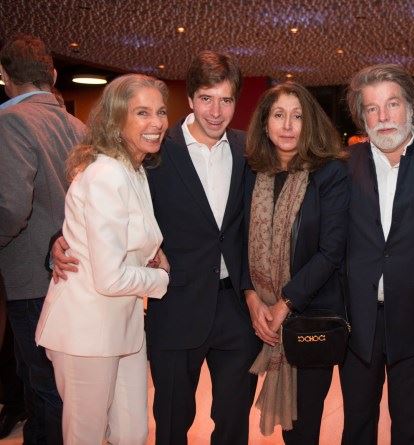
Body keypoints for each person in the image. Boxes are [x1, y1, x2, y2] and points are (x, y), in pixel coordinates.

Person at [52, 51, 261, 444]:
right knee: (171, 422)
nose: (216, 112)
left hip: (234, 308)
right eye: (206, 98)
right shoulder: (154, 151)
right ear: (191, 98)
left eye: (227, 100)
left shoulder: (248, 149)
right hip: (175, 306)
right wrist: (59, 240)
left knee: (234, 422)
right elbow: (93, 203)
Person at [35, 73, 171, 444]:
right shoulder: (107, 174)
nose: (156, 122)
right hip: (86, 330)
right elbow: (109, 278)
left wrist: (153, 252)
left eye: (161, 112)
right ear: (116, 119)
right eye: (142, 112)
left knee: (132, 433)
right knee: (86, 436)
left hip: (122, 324)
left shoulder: (134, 168)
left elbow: (132, 236)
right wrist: (161, 277)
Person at [341, 64, 414, 445]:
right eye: (372, 108)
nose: (383, 117)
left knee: (412, 428)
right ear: (362, 116)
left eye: (392, 104)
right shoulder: (342, 166)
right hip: (358, 324)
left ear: (411, 107)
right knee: (357, 426)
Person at [243, 81, 349, 444]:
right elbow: (236, 240)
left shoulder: (330, 174)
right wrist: (251, 297)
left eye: (297, 116)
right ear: (265, 122)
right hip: (259, 315)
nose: (287, 126)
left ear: (310, 123)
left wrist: (285, 304)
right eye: (278, 115)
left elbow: (331, 251)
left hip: (310, 316)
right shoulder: (251, 173)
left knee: (303, 428)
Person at [0, 33, 86, 445]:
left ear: (5, 76)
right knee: (65, 385)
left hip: (33, 276)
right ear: (52, 75)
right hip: (77, 273)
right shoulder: (79, 126)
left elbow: (11, 207)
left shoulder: (11, 121)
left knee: (42, 386)